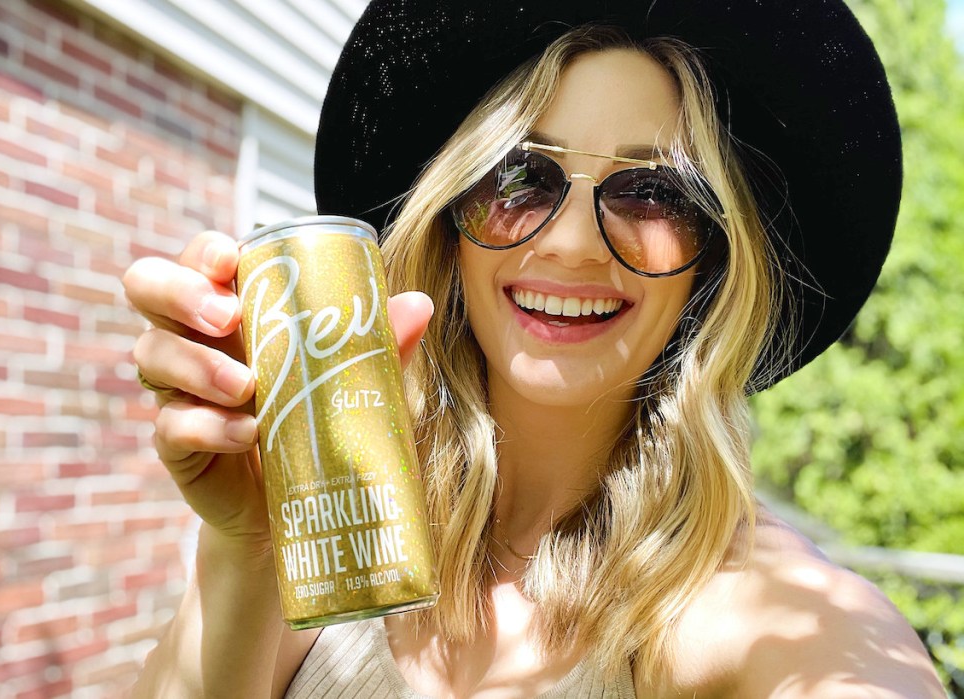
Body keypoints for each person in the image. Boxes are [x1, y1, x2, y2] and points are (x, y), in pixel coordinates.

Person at [123, 1, 945, 697]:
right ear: (451, 224)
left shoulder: (761, 611)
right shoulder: (340, 522)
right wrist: (246, 549)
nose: (576, 243)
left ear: (710, 266)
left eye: (653, 192)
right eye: (520, 178)